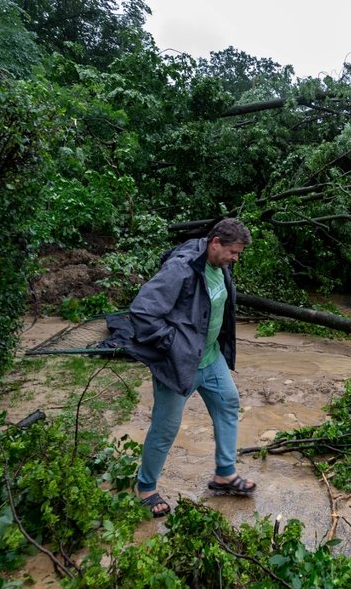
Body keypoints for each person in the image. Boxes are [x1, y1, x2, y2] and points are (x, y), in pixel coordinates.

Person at [107, 218, 256, 517]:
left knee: (228, 403)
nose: (235, 258)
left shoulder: (219, 266)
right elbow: (142, 312)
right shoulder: (181, 268)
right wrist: (173, 344)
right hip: (179, 364)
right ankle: (145, 488)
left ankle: (224, 474)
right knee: (166, 428)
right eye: (234, 252)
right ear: (216, 243)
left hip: (210, 358)